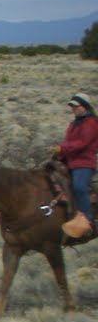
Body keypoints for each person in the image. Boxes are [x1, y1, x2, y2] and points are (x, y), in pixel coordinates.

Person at [53, 93, 97, 238]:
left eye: (75, 106)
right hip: (70, 162)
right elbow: (69, 142)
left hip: (84, 163)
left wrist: (63, 148)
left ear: (84, 106)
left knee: (79, 187)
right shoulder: (74, 123)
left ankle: (87, 221)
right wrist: (59, 153)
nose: (73, 109)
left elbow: (82, 143)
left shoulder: (91, 123)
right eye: (71, 106)